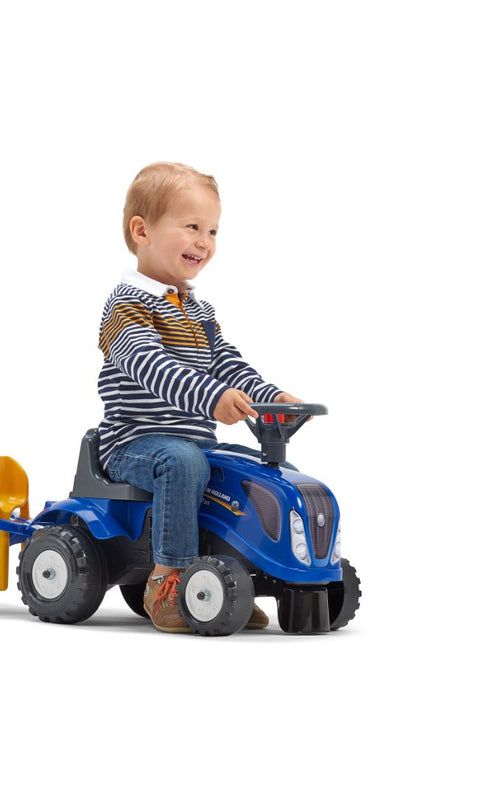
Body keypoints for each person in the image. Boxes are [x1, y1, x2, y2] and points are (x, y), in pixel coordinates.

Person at [97, 162, 303, 633]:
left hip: (194, 443)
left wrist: (269, 396)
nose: (204, 241)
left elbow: (227, 363)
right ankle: (169, 579)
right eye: (191, 227)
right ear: (142, 231)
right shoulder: (126, 306)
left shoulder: (198, 310)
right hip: (134, 443)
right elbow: (153, 366)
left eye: (212, 230)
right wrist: (212, 398)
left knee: (256, 472)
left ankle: (230, 580)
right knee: (184, 462)